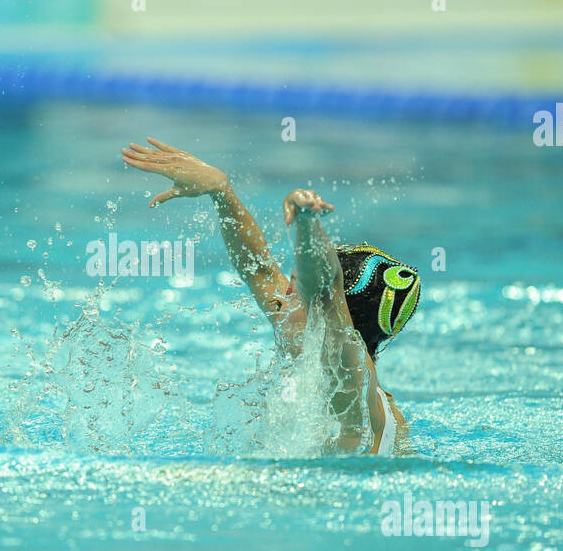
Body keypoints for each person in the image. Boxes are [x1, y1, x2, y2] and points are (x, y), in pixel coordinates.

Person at [122, 137, 420, 453]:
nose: (281, 297)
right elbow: (259, 269)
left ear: (334, 318)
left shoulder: (352, 386)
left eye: (297, 291)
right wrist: (222, 192)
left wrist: (307, 224)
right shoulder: (311, 340)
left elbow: (326, 285)